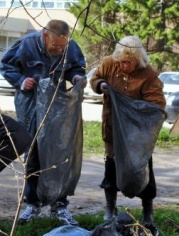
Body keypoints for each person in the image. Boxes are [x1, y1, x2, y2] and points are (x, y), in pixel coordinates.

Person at [0, 19, 86, 225]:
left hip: (57, 107)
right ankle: (33, 204)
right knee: (33, 154)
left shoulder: (70, 46)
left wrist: (76, 78)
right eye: (55, 45)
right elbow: (5, 66)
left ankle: (59, 205)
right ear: (44, 36)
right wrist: (20, 81)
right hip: (30, 107)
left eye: (62, 46)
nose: (58, 49)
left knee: (59, 153)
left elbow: (76, 68)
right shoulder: (25, 44)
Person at [90, 35, 166, 236]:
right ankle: (110, 208)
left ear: (138, 60)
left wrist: (134, 110)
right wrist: (101, 86)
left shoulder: (148, 74)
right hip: (112, 128)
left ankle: (147, 212)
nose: (125, 65)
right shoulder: (109, 64)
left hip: (137, 135)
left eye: (130, 62)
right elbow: (95, 79)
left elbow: (157, 104)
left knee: (141, 169)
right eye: (122, 61)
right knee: (111, 167)